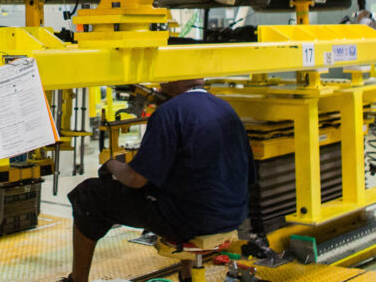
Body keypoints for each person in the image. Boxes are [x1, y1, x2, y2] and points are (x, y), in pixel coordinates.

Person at [63, 79, 254, 282]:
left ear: (169, 81)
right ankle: (187, 274)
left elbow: (136, 179)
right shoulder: (224, 107)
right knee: (182, 187)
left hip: (190, 220)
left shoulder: (170, 112)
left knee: (89, 195)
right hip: (233, 214)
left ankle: (77, 280)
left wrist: (110, 162)